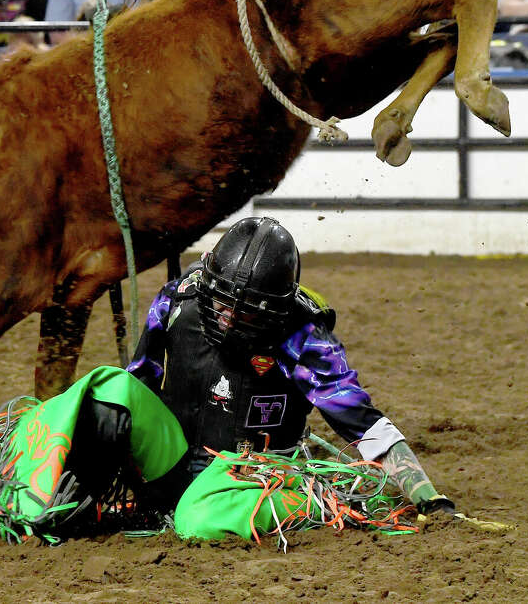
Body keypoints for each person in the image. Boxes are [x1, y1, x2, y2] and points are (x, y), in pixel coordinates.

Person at [125, 218, 458, 523]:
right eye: (223, 303)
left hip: (248, 479)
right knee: (106, 384)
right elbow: (137, 384)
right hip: (172, 460)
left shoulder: (304, 336)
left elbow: (362, 420)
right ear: (210, 283)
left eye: (246, 312)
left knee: (196, 519)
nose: (228, 318)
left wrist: (426, 495)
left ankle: (319, 503)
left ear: (276, 308)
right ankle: (72, 496)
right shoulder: (178, 300)